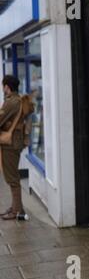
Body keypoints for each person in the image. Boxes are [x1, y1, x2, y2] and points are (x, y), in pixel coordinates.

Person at [0, 75, 27, 221]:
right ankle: (17, 208)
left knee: (12, 178)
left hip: (10, 144)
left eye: (3, 85)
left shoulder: (11, 102)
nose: (2, 88)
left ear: (7, 86)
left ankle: (16, 212)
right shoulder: (18, 99)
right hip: (15, 142)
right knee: (13, 176)